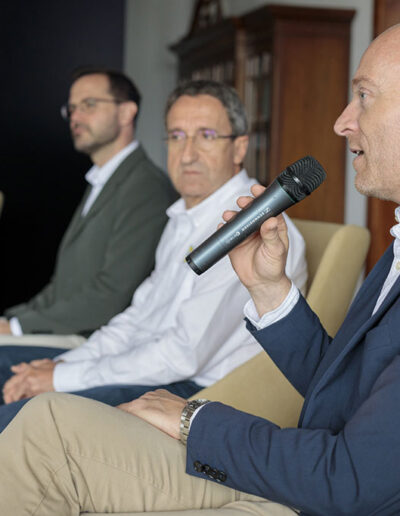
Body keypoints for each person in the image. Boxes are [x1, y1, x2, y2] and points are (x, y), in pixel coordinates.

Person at [0, 80, 307, 432]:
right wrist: (62, 366)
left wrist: (61, 378)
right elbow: (138, 318)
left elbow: (182, 354)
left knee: (20, 418)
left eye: (206, 136)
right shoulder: (183, 218)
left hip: (193, 395)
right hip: (149, 369)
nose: (187, 154)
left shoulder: (251, 229)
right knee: (10, 374)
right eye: (177, 136)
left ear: (239, 147)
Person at [0, 68, 175, 341]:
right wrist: (12, 319)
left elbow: (113, 295)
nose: (76, 117)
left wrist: (17, 327)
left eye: (89, 105)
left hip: (98, 341)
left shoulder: (147, 186)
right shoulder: (101, 178)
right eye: (71, 108)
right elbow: (62, 287)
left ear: (126, 112)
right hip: (71, 333)